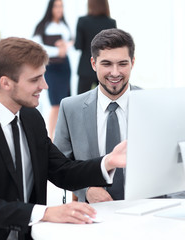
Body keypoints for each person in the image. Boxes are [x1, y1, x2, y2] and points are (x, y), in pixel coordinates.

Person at [0, 37, 127, 240]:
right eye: (34, 80)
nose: (45, 85)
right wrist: (46, 213)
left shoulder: (31, 117)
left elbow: (62, 171)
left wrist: (107, 161)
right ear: (6, 83)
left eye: (43, 76)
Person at [54, 28, 141, 203]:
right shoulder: (70, 108)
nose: (115, 72)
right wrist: (86, 190)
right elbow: (59, 166)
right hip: (92, 215)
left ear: (132, 62)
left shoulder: (153, 105)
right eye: (107, 64)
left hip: (145, 211)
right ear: (94, 64)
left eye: (122, 64)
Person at [33, 0, 73, 140]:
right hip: (52, 68)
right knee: (55, 104)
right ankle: (50, 137)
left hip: (65, 67)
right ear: (51, 8)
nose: (59, 9)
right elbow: (37, 47)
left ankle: (62, 137)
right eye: (56, 6)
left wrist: (65, 45)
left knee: (65, 102)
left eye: (61, 6)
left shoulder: (64, 25)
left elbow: (71, 43)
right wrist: (58, 51)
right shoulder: (43, 26)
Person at [75, 0, 116, 94]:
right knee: (106, 100)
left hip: (85, 68)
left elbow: (78, 46)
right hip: (104, 68)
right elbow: (113, 46)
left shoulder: (82, 21)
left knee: (80, 101)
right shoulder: (111, 23)